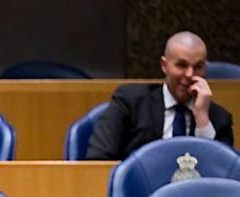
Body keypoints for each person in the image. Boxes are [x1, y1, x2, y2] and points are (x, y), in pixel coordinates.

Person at [86, 31, 233, 160]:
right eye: (181, 65)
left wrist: (202, 119)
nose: (190, 74)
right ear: (164, 65)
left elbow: (222, 174)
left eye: (198, 67)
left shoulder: (218, 118)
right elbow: (98, 160)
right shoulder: (131, 102)